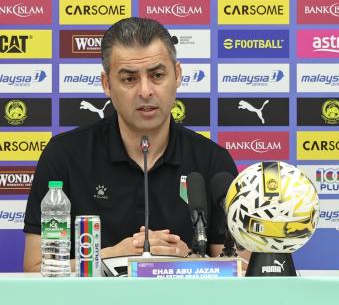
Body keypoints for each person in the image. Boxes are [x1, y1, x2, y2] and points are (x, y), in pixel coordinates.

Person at [23, 17, 238, 272]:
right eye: (129, 79)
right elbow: (35, 267)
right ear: (107, 84)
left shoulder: (213, 161)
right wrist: (111, 256)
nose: (145, 91)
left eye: (157, 75)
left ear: (177, 75)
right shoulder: (64, 156)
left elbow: (239, 269)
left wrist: (190, 259)